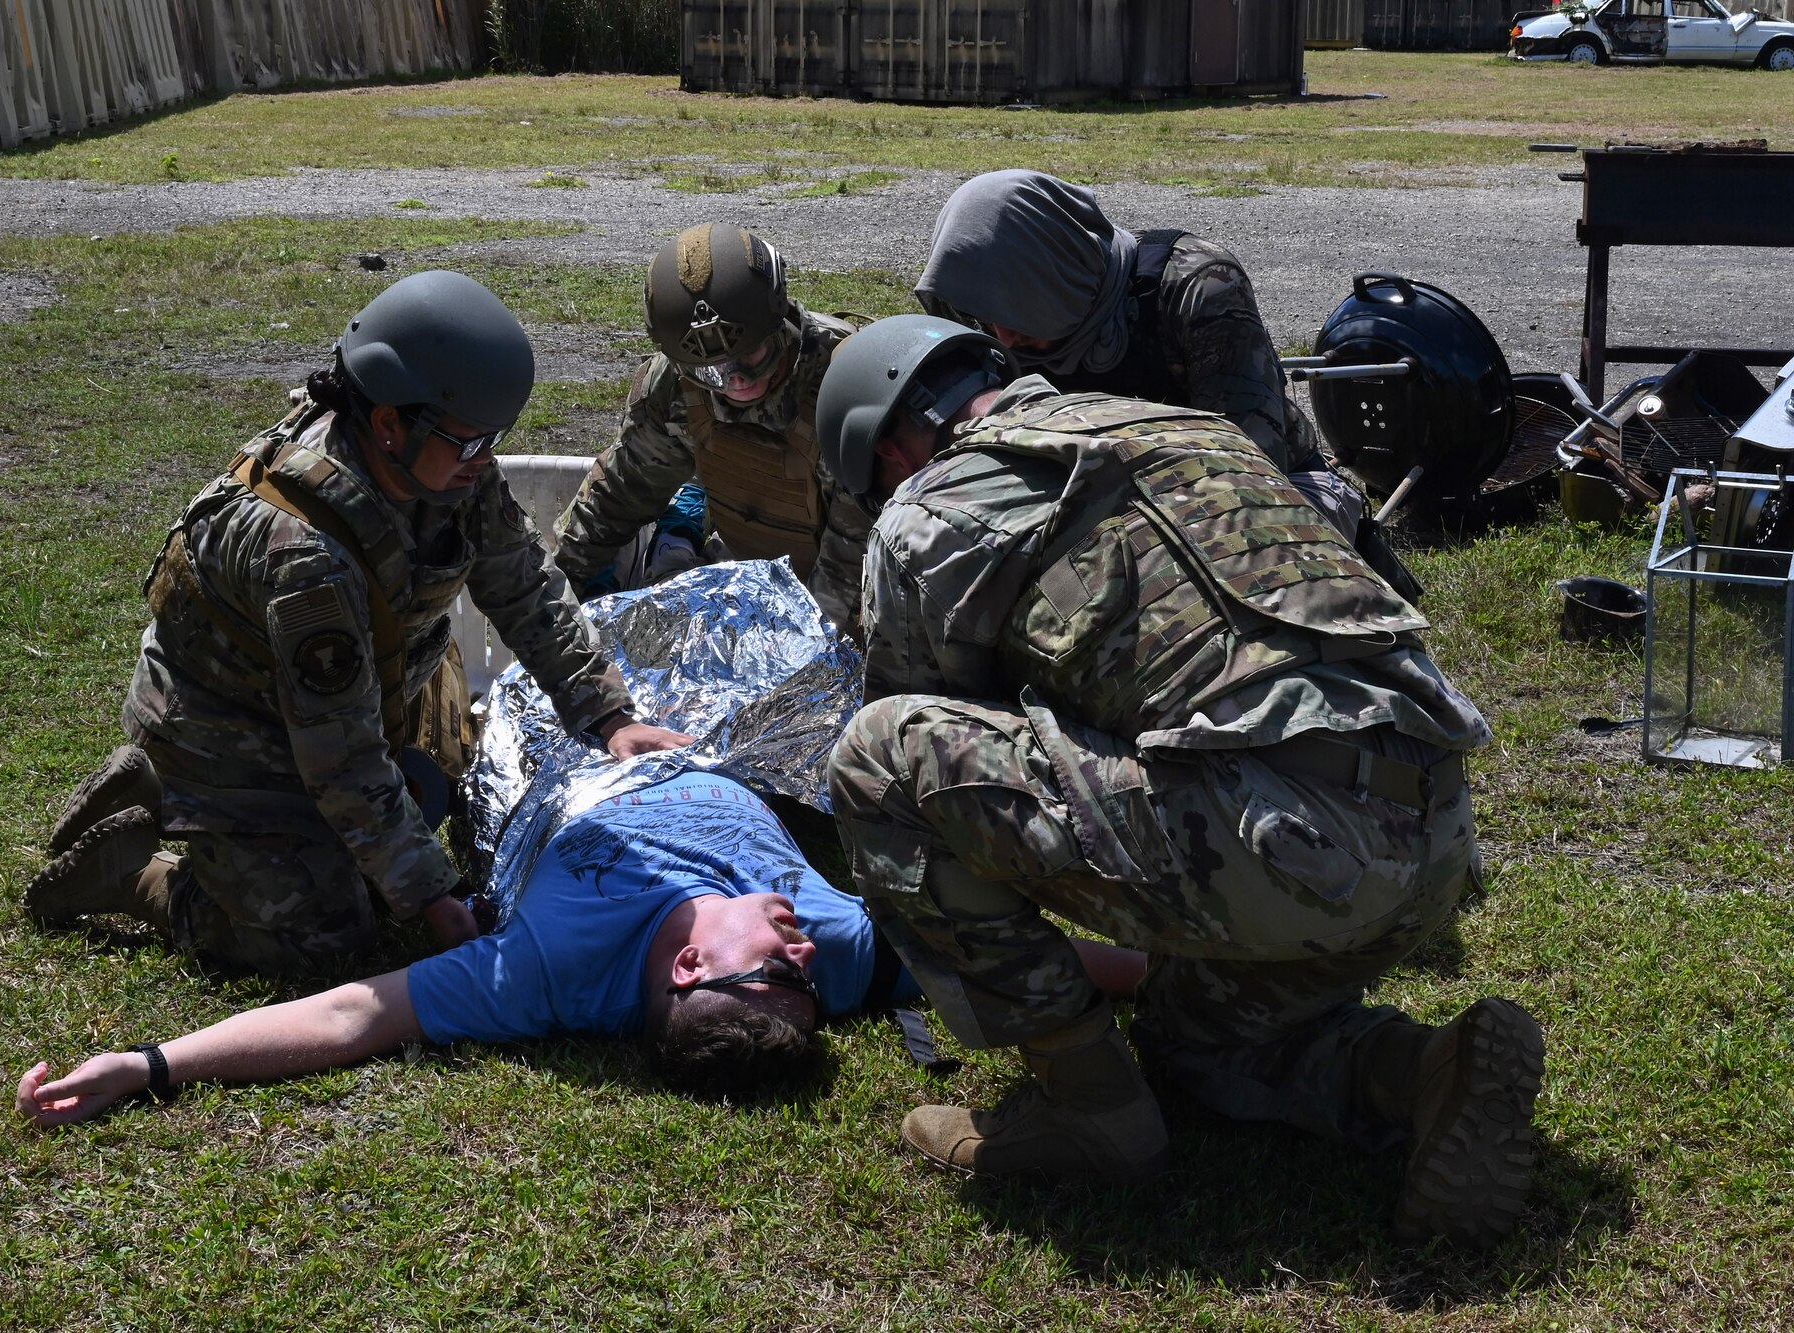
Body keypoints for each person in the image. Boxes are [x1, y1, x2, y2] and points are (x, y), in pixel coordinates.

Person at [812, 315, 1544, 1246]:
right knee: (1195, 1043)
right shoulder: (1179, 424)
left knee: (878, 755)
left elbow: (935, 749)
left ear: (889, 447)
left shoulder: (926, 514)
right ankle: (1426, 1071)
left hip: (1278, 842)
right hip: (1432, 832)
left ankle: (1086, 1107)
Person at [25, 270, 692, 977]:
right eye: (472, 441)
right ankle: (135, 867)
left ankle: (167, 795)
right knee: (327, 936)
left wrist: (609, 714)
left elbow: (524, 585)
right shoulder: (307, 556)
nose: (485, 458)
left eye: (494, 438)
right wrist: (435, 898)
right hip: (230, 728)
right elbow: (341, 762)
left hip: (359, 691)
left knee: (435, 799)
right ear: (386, 423)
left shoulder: (443, 458)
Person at [16, 768, 1149, 1122]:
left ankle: (182, 794)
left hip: (559, 749)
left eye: (785, 966)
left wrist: (151, 1063)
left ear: (693, 970)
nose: (806, 951)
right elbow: (1026, 961)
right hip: (710, 733)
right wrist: (1183, 967)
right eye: (808, 978)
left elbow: (355, 1013)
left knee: (354, 849)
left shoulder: (545, 974)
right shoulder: (841, 951)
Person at [915, 169, 1419, 600]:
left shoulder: (1197, 286)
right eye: (990, 314)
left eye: (1020, 308)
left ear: (1057, 273)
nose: (1004, 336)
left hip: (1263, 495)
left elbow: (1252, 471)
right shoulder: (982, 318)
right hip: (1085, 506)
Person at [551, 223, 872, 634]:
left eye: (750, 356)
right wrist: (555, 609)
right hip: (754, 580)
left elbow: (853, 559)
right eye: (712, 371)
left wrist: (805, 655)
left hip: (856, 604)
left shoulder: (848, 383)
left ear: (780, 320)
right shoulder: (675, 385)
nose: (735, 381)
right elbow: (615, 499)